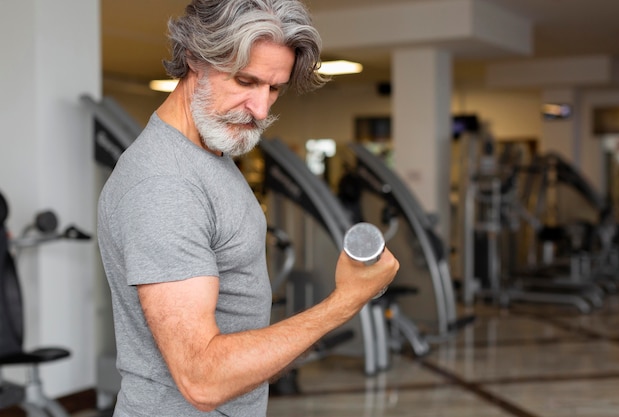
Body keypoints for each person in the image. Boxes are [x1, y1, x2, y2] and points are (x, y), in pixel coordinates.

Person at [97, 1, 399, 416]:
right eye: (245, 80)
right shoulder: (164, 184)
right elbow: (202, 379)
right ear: (193, 60)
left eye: (273, 88)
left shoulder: (212, 152)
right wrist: (345, 301)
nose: (261, 108)